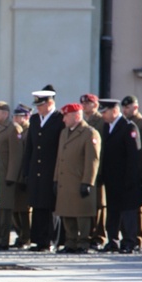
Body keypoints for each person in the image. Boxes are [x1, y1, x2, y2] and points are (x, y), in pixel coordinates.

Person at [53, 103, 100, 254]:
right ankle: (70, 242)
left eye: (66, 116)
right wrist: (55, 179)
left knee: (82, 214)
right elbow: (59, 158)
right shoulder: (64, 133)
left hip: (79, 180)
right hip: (65, 182)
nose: (64, 120)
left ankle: (83, 242)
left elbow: (92, 160)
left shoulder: (89, 133)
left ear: (76, 116)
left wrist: (88, 182)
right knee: (67, 213)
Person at [22, 85, 65, 252]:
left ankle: (50, 239)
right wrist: (26, 171)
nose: (38, 108)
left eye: (41, 105)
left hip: (51, 169)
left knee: (49, 206)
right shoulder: (34, 120)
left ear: (50, 103)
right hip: (36, 169)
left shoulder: (59, 119)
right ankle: (38, 240)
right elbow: (30, 148)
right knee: (37, 204)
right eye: (37, 106)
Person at [98, 99, 142, 253]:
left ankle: (129, 241)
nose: (102, 115)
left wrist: (131, 178)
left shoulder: (128, 127)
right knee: (113, 211)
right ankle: (113, 240)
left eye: (105, 112)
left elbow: (133, 156)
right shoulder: (107, 127)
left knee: (128, 211)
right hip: (112, 179)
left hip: (126, 178)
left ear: (114, 111)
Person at [0, 101, 23, 250]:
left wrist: (12, 176)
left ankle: (3, 240)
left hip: (5, 176)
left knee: (5, 211)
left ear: (6, 114)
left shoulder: (13, 129)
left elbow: (16, 155)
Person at [121, 95, 142, 250]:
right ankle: (131, 237)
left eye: (128, 107)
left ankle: (137, 239)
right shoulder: (126, 124)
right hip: (132, 171)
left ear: (135, 107)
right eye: (124, 107)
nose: (125, 110)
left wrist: (139, 171)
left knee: (138, 207)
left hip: (140, 171)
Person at [80, 93, 107, 250]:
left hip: (99, 168)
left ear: (95, 104)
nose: (85, 106)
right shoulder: (84, 121)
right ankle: (89, 234)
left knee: (100, 204)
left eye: (88, 103)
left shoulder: (101, 121)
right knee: (89, 203)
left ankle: (99, 236)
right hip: (85, 168)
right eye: (83, 103)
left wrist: (100, 169)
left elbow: (101, 149)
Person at [11, 103, 33, 249]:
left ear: (26, 117)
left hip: (25, 174)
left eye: (19, 116)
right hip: (16, 174)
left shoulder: (29, 131)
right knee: (16, 208)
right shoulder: (17, 131)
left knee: (25, 210)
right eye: (15, 116)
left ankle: (26, 236)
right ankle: (20, 235)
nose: (16, 119)